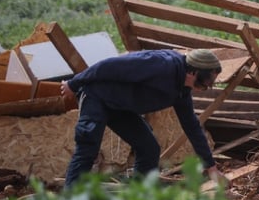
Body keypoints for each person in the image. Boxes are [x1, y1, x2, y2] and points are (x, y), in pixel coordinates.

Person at [61, 49, 226, 187]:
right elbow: (107, 66)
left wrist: (211, 167)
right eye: (202, 85)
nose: (201, 90)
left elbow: (192, 127)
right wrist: (74, 83)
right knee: (88, 146)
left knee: (149, 148)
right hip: (97, 96)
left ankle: (138, 195)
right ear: (193, 72)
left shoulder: (182, 91)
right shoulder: (160, 65)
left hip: (121, 107)